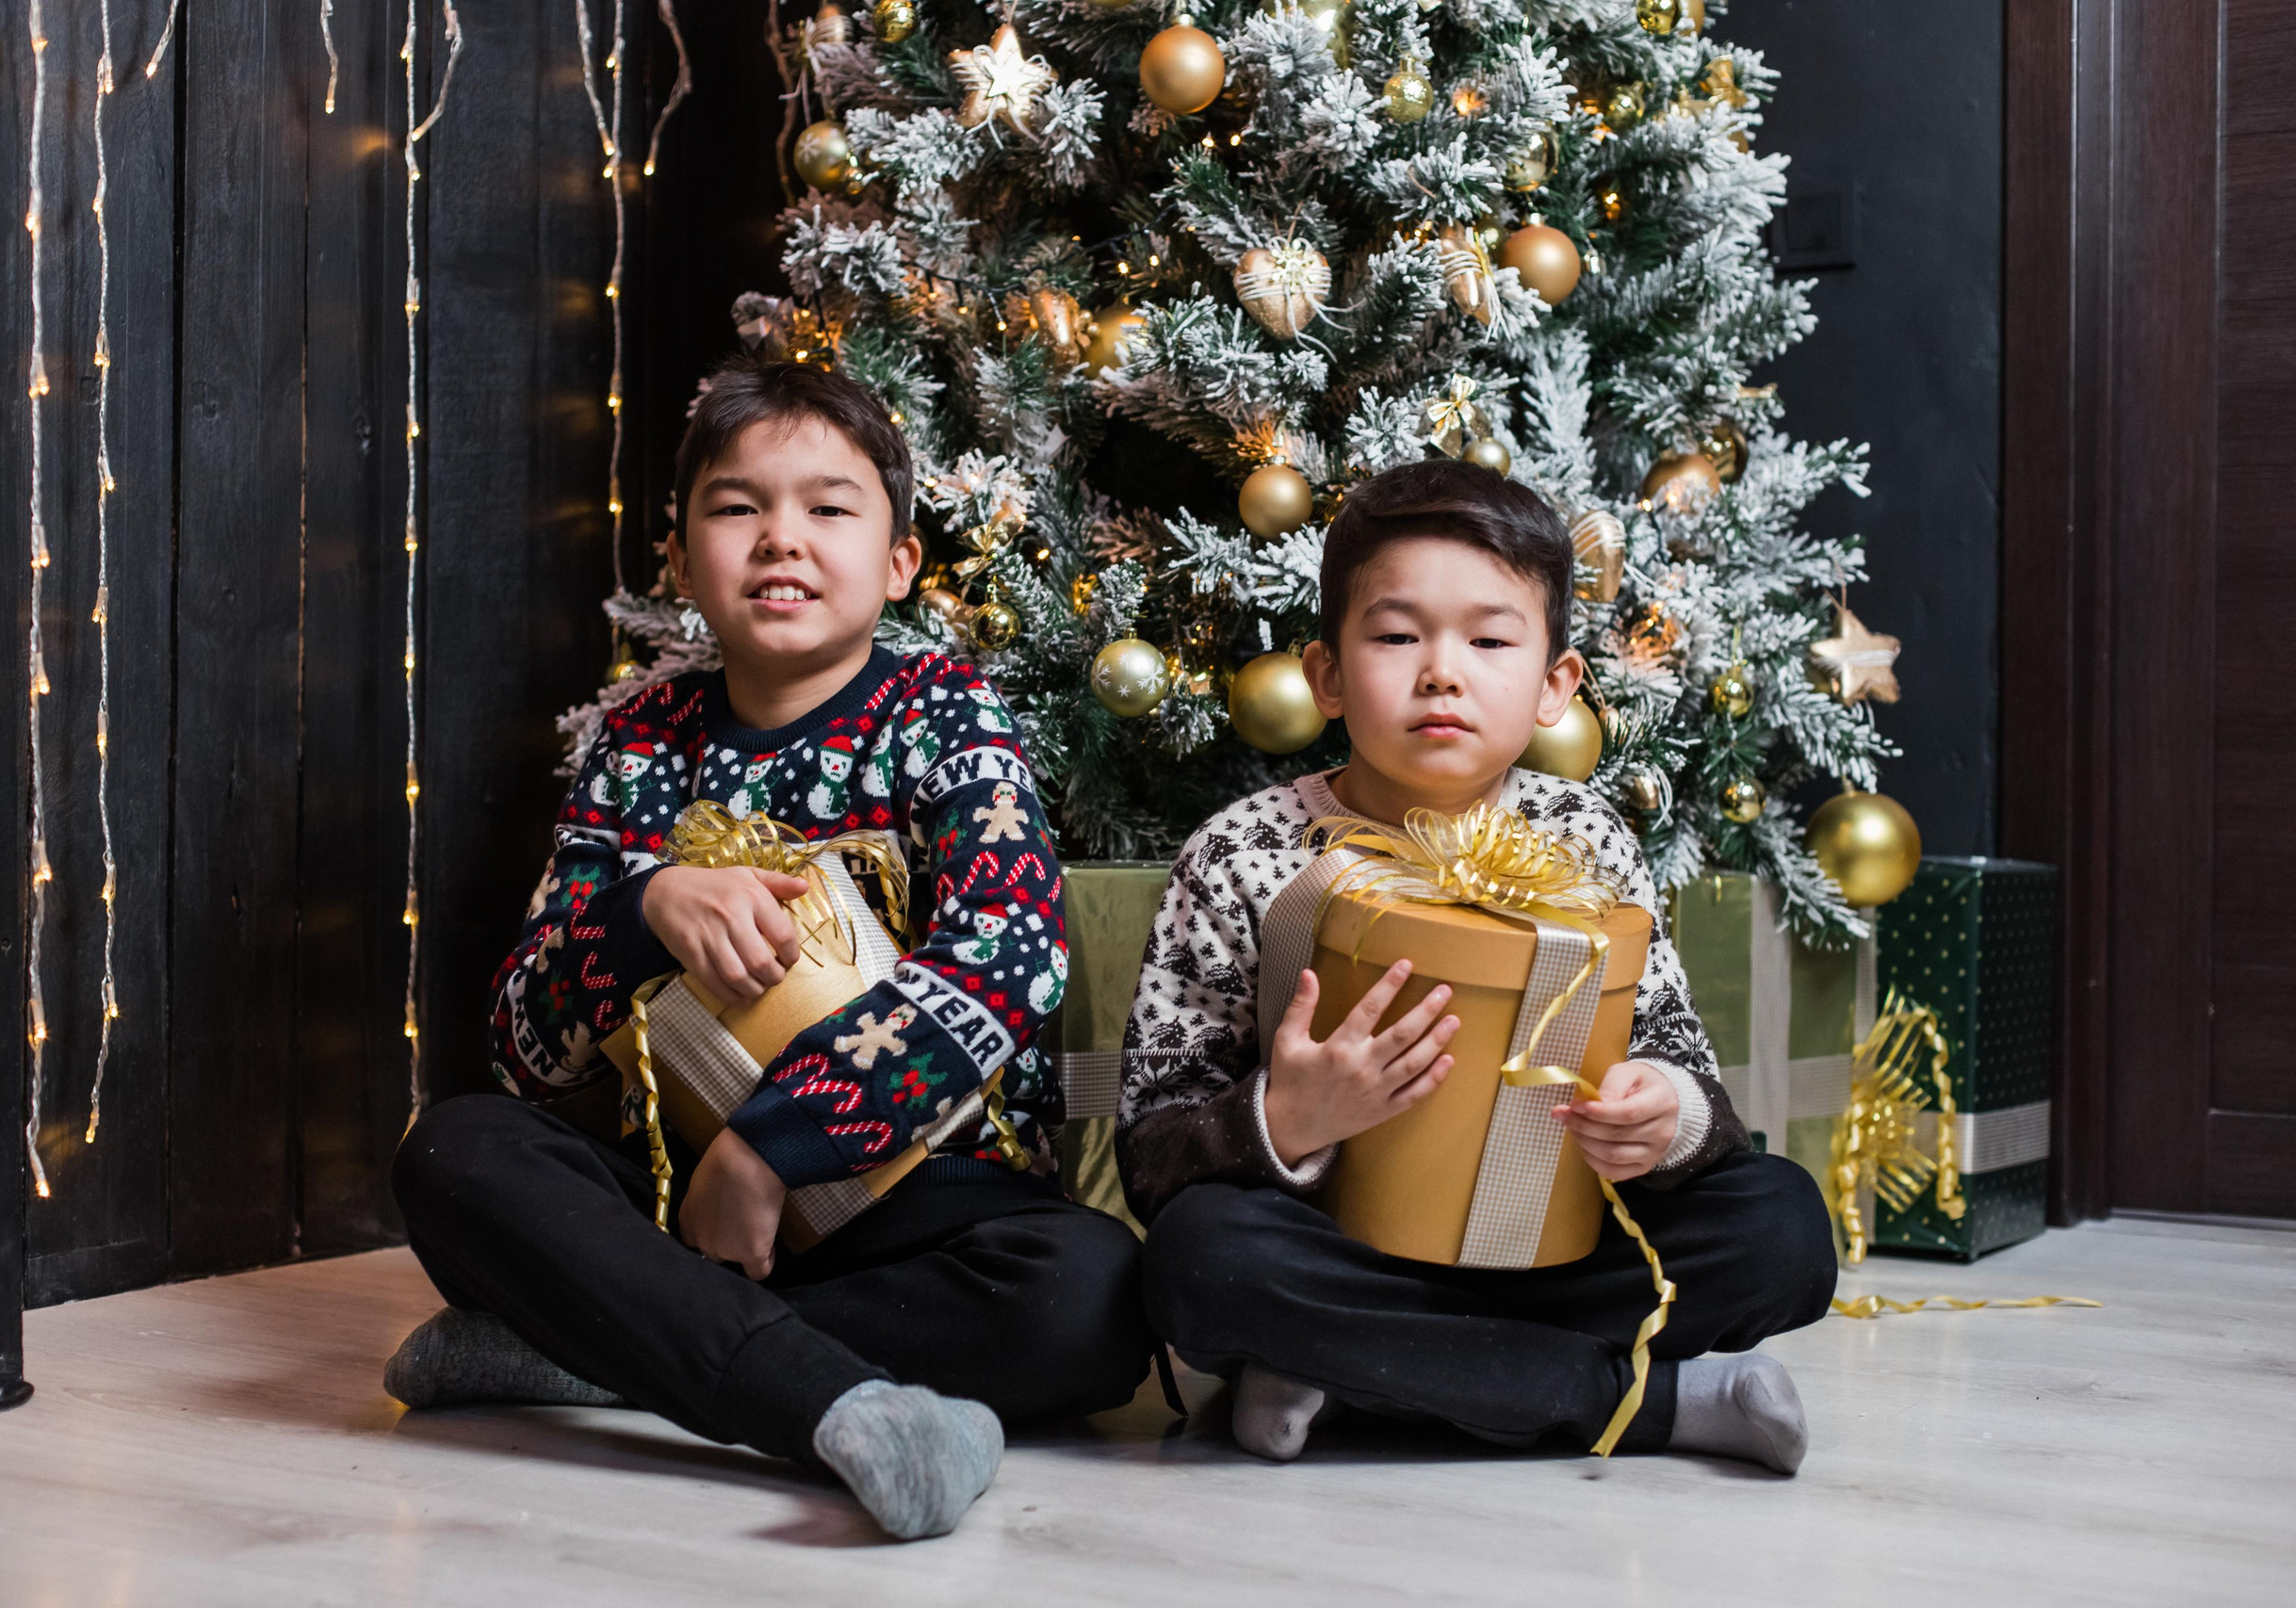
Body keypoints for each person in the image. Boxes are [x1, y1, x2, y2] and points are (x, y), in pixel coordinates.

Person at [386, 359, 1150, 1539]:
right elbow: (525, 1047)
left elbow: (1009, 955)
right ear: (686, 560)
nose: (780, 539)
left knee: (1089, 1296)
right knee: (454, 1149)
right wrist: (641, 911)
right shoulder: (639, 738)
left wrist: (775, 1148)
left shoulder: (945, 713)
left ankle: (609, 1350)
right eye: (738, 508)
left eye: (829, 509)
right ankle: (825, 1398)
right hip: (677, 1205)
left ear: (899, 563)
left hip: (923, 1201)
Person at [1118, 460, 1836, 1473]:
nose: (1441, 672)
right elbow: (1150, 1151)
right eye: (1396, 636)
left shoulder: (1584, 839)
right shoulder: (1245, 851)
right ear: (1326, 674)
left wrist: (1665, 1113)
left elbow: (1682, 1062)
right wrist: (1287, 1120)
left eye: (1490, 640)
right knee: (1200, 1262)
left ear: (1554, 685)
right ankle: (1642, 1400)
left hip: (1549, 1251)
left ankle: (1355, 1372)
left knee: (1783, 1229)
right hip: (1333, 1251)